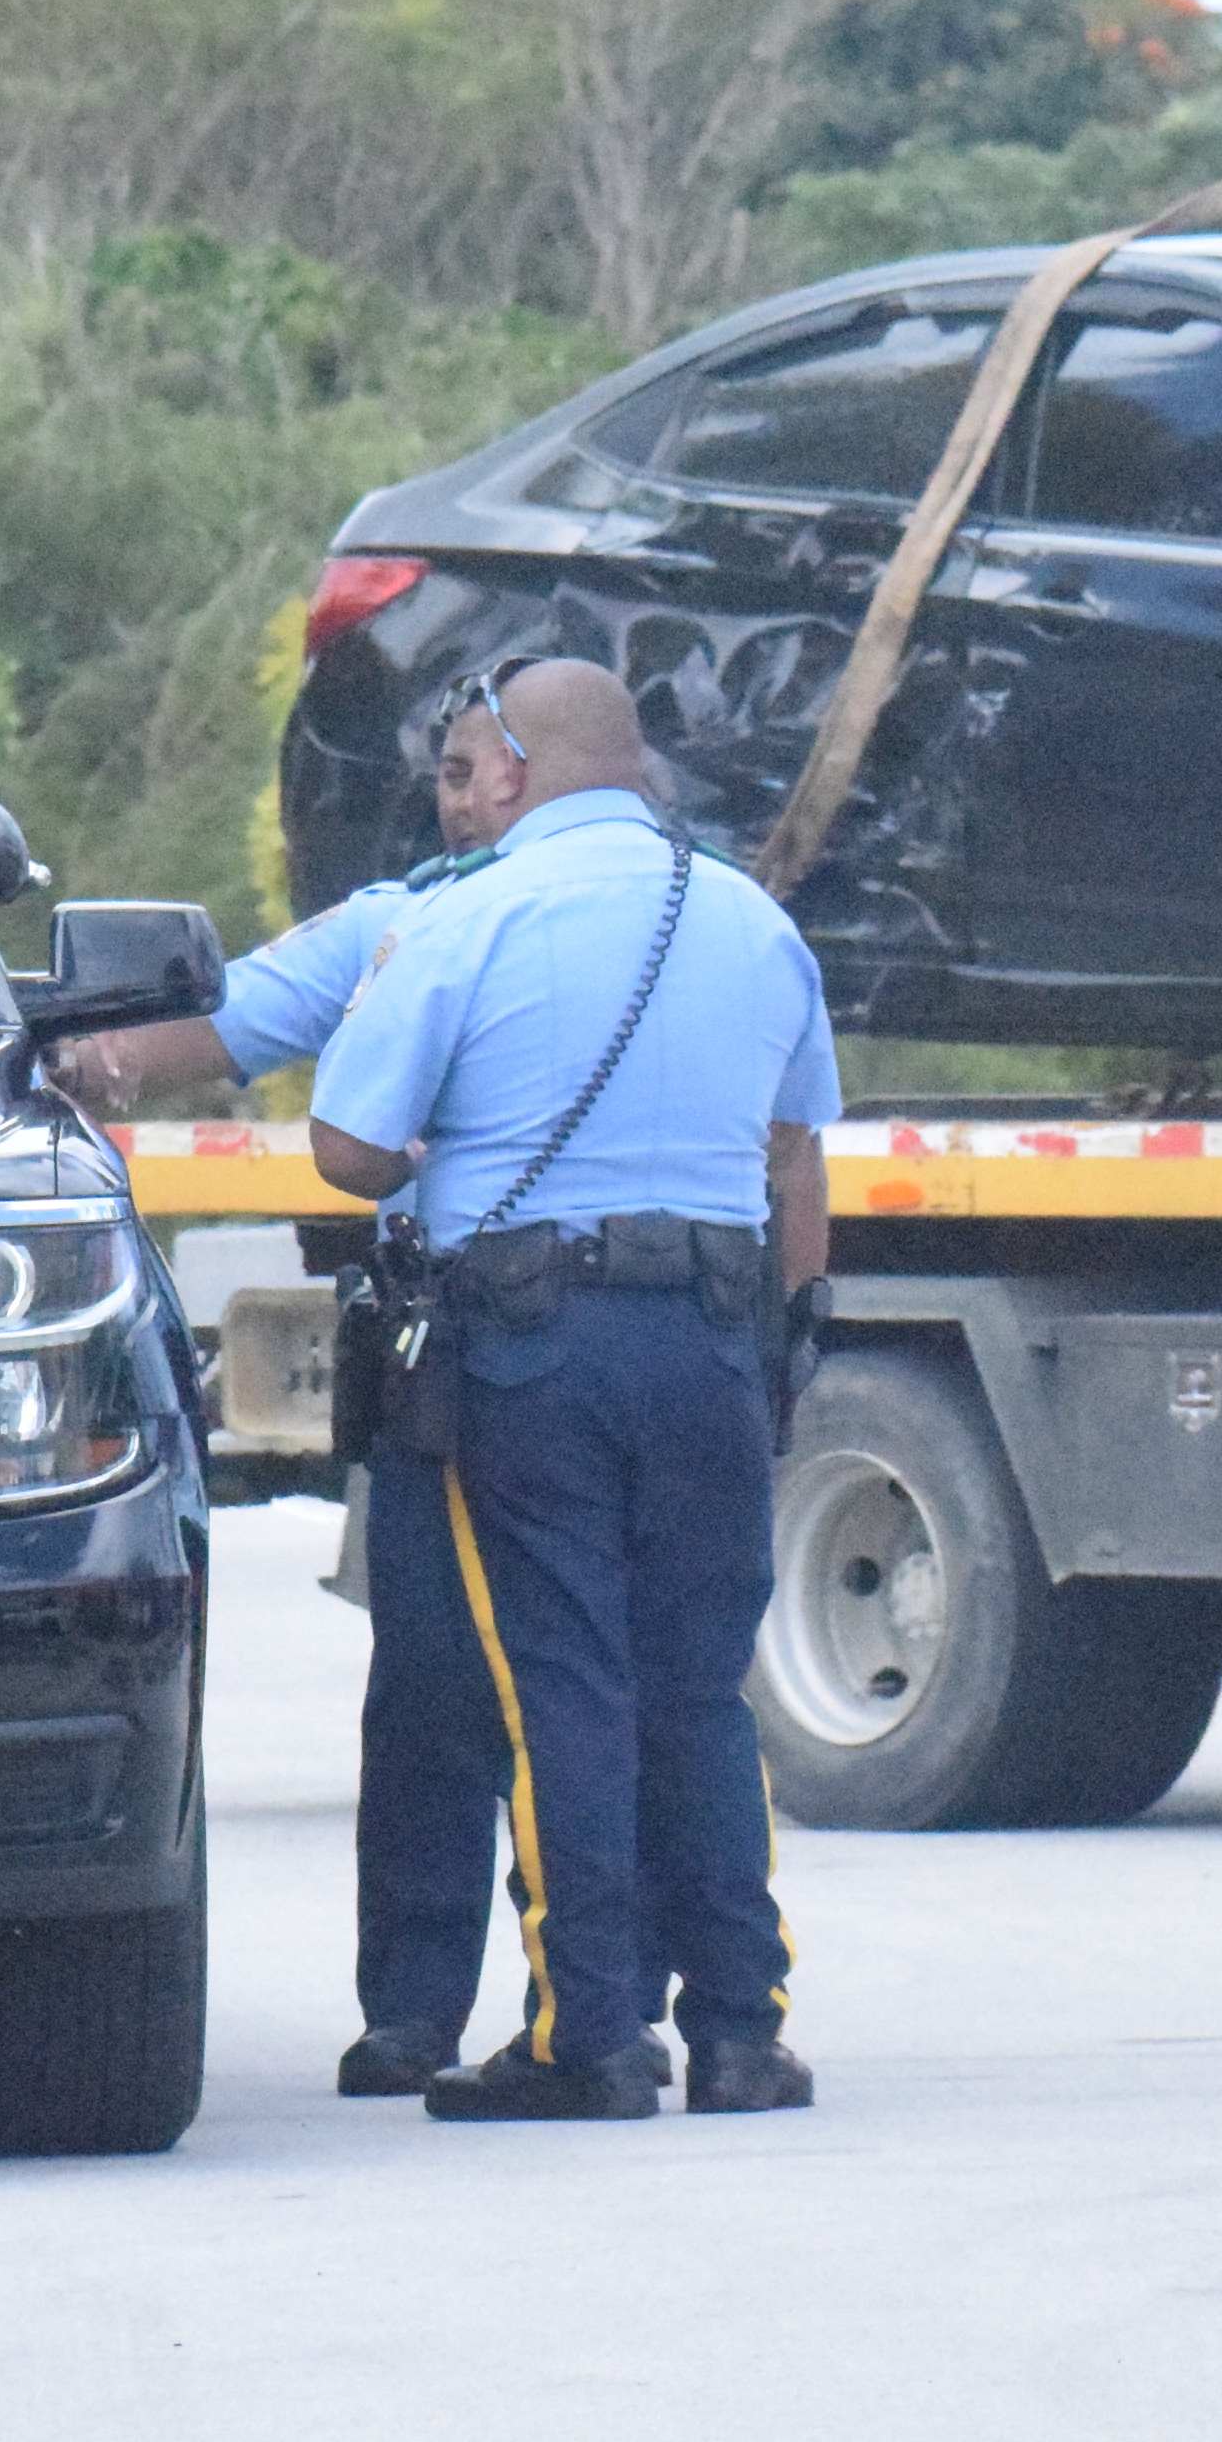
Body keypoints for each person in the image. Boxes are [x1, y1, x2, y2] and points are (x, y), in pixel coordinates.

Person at [305, 655, 836, 2120]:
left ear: (521, 772)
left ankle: (586, 2034)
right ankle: (741, 2031)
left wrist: (436, 1154)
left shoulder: (469, 918)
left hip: (533, 1341)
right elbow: (798, 1159)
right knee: (700, 1690)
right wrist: (788, 1343)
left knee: (564, 1690)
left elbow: (346, 1148)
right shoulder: (751, 922)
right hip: (719, 1335)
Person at [63, 681, 546, 2098]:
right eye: (444, 773)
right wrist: (71, 1059)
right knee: (438, 1693)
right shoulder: (411, 915)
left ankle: (569, 2002)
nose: (449, 797)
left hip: (520, 1340)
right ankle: (426, 2008)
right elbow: (236, 1023)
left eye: (468, 772)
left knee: (535, 1694)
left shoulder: (552, 920)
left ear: (537, 773)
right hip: (454, 1355)